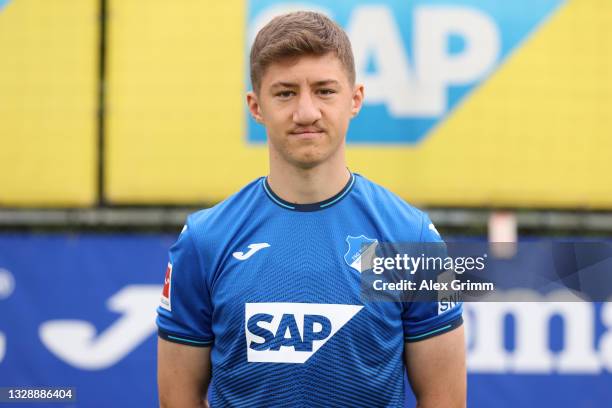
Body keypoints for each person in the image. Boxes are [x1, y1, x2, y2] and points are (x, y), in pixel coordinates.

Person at [157, 11, 465, 408]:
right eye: (285, 93)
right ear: (255, 106)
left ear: (355, 99)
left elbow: (445, 401)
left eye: (324, 90)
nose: (306, 112)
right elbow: (177, 400)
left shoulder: (413, 238)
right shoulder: (205, 241)